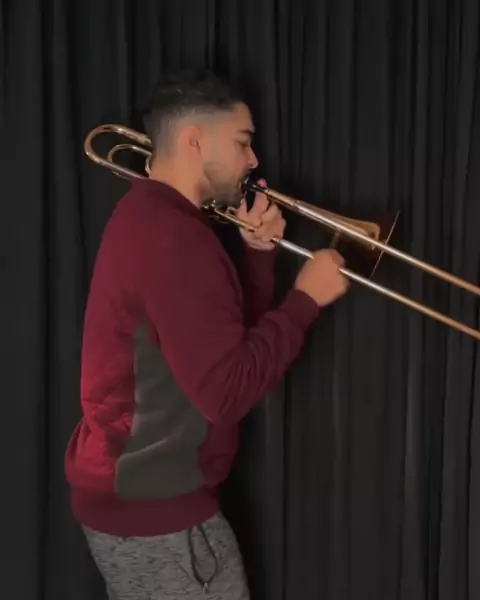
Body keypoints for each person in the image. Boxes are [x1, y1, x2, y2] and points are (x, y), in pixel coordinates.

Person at [65, 69, 349, 599]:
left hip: (143, 498)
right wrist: (305, 301)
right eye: (243, 142)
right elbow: (227, 393)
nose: (253, 160)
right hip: (155, 512)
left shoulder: (157, 218)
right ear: (195, 141)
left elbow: (221, 346)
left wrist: (259, 257)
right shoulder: (173, 237)